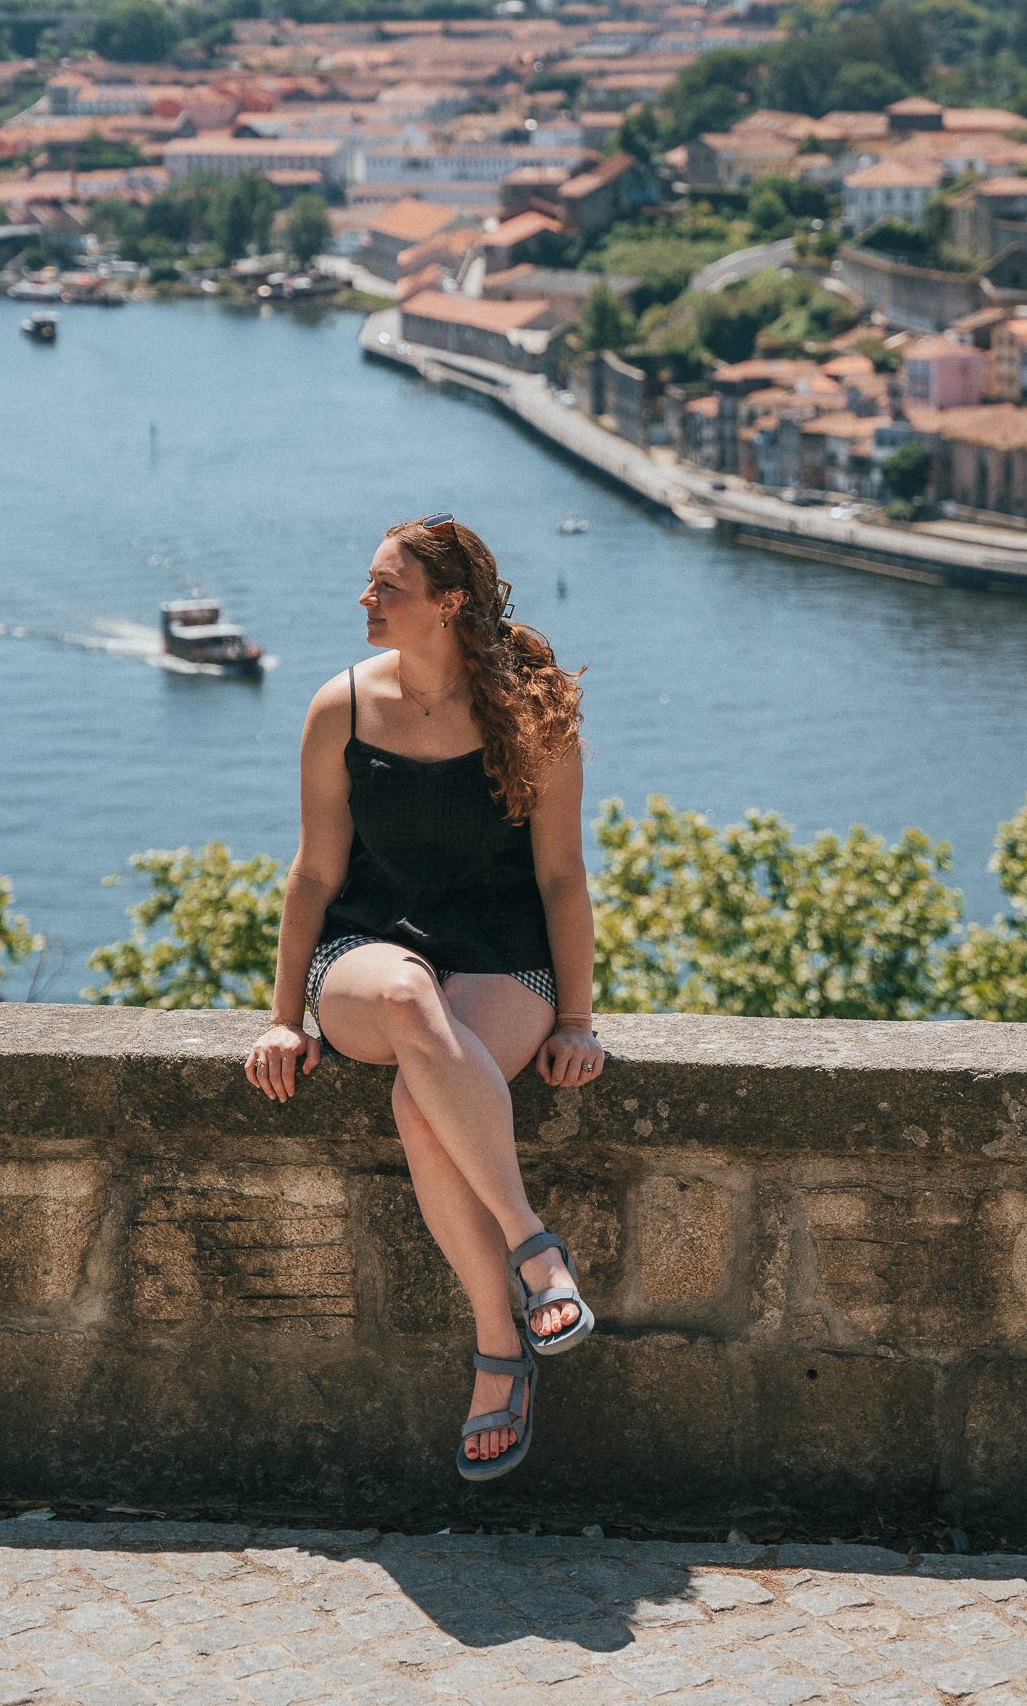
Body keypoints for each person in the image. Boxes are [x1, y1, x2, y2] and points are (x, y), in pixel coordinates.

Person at [244, 512, 606, 1481]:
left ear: (446, 603)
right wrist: (282, 1018)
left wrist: (575, 1017)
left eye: (385, 587)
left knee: (421, 1097)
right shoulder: (339, 709)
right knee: (408, 1000)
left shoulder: (532, 714)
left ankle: (499, 1352)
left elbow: (563, 877)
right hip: (367, 960)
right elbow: (314, 877)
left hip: (502, 959)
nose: (364, 601)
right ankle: (537, 1257)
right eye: (369, 584)